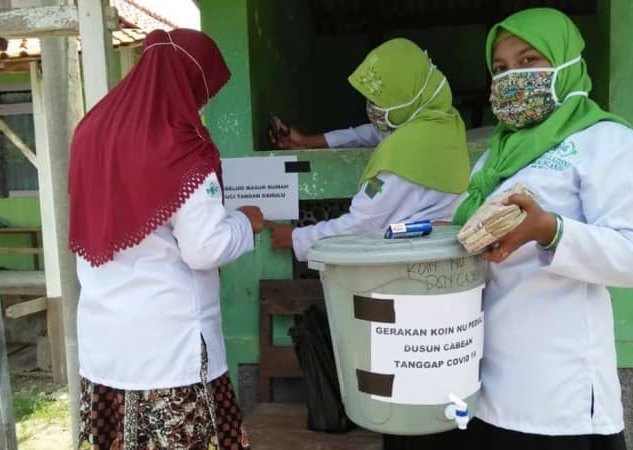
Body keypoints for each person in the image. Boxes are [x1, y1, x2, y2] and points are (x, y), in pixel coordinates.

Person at [451, 8, 633, 450]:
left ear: (568, 62)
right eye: (501, 69)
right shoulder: (495, 157)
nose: (513, 77)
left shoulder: (607, 143)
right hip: (488, 381)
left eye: (529, 61)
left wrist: (549, 230)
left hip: (560, 394)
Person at [68, 29, 261, 450]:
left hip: (105, 339)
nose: (202, 103)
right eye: (204, 90)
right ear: (191, 81)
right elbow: (204, 248)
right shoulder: (182, 145)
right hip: (170, 346)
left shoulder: (92, 132)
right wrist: (247, 223)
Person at [268, 38, 471, 263]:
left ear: (408, 94)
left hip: (413, 262)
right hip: (443, 255)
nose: (372, 108)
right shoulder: (442, 121)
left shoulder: (403, 153)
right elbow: (372, 133)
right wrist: (306, 141)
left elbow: (362, 223)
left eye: (380, 100)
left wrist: (295, 238)